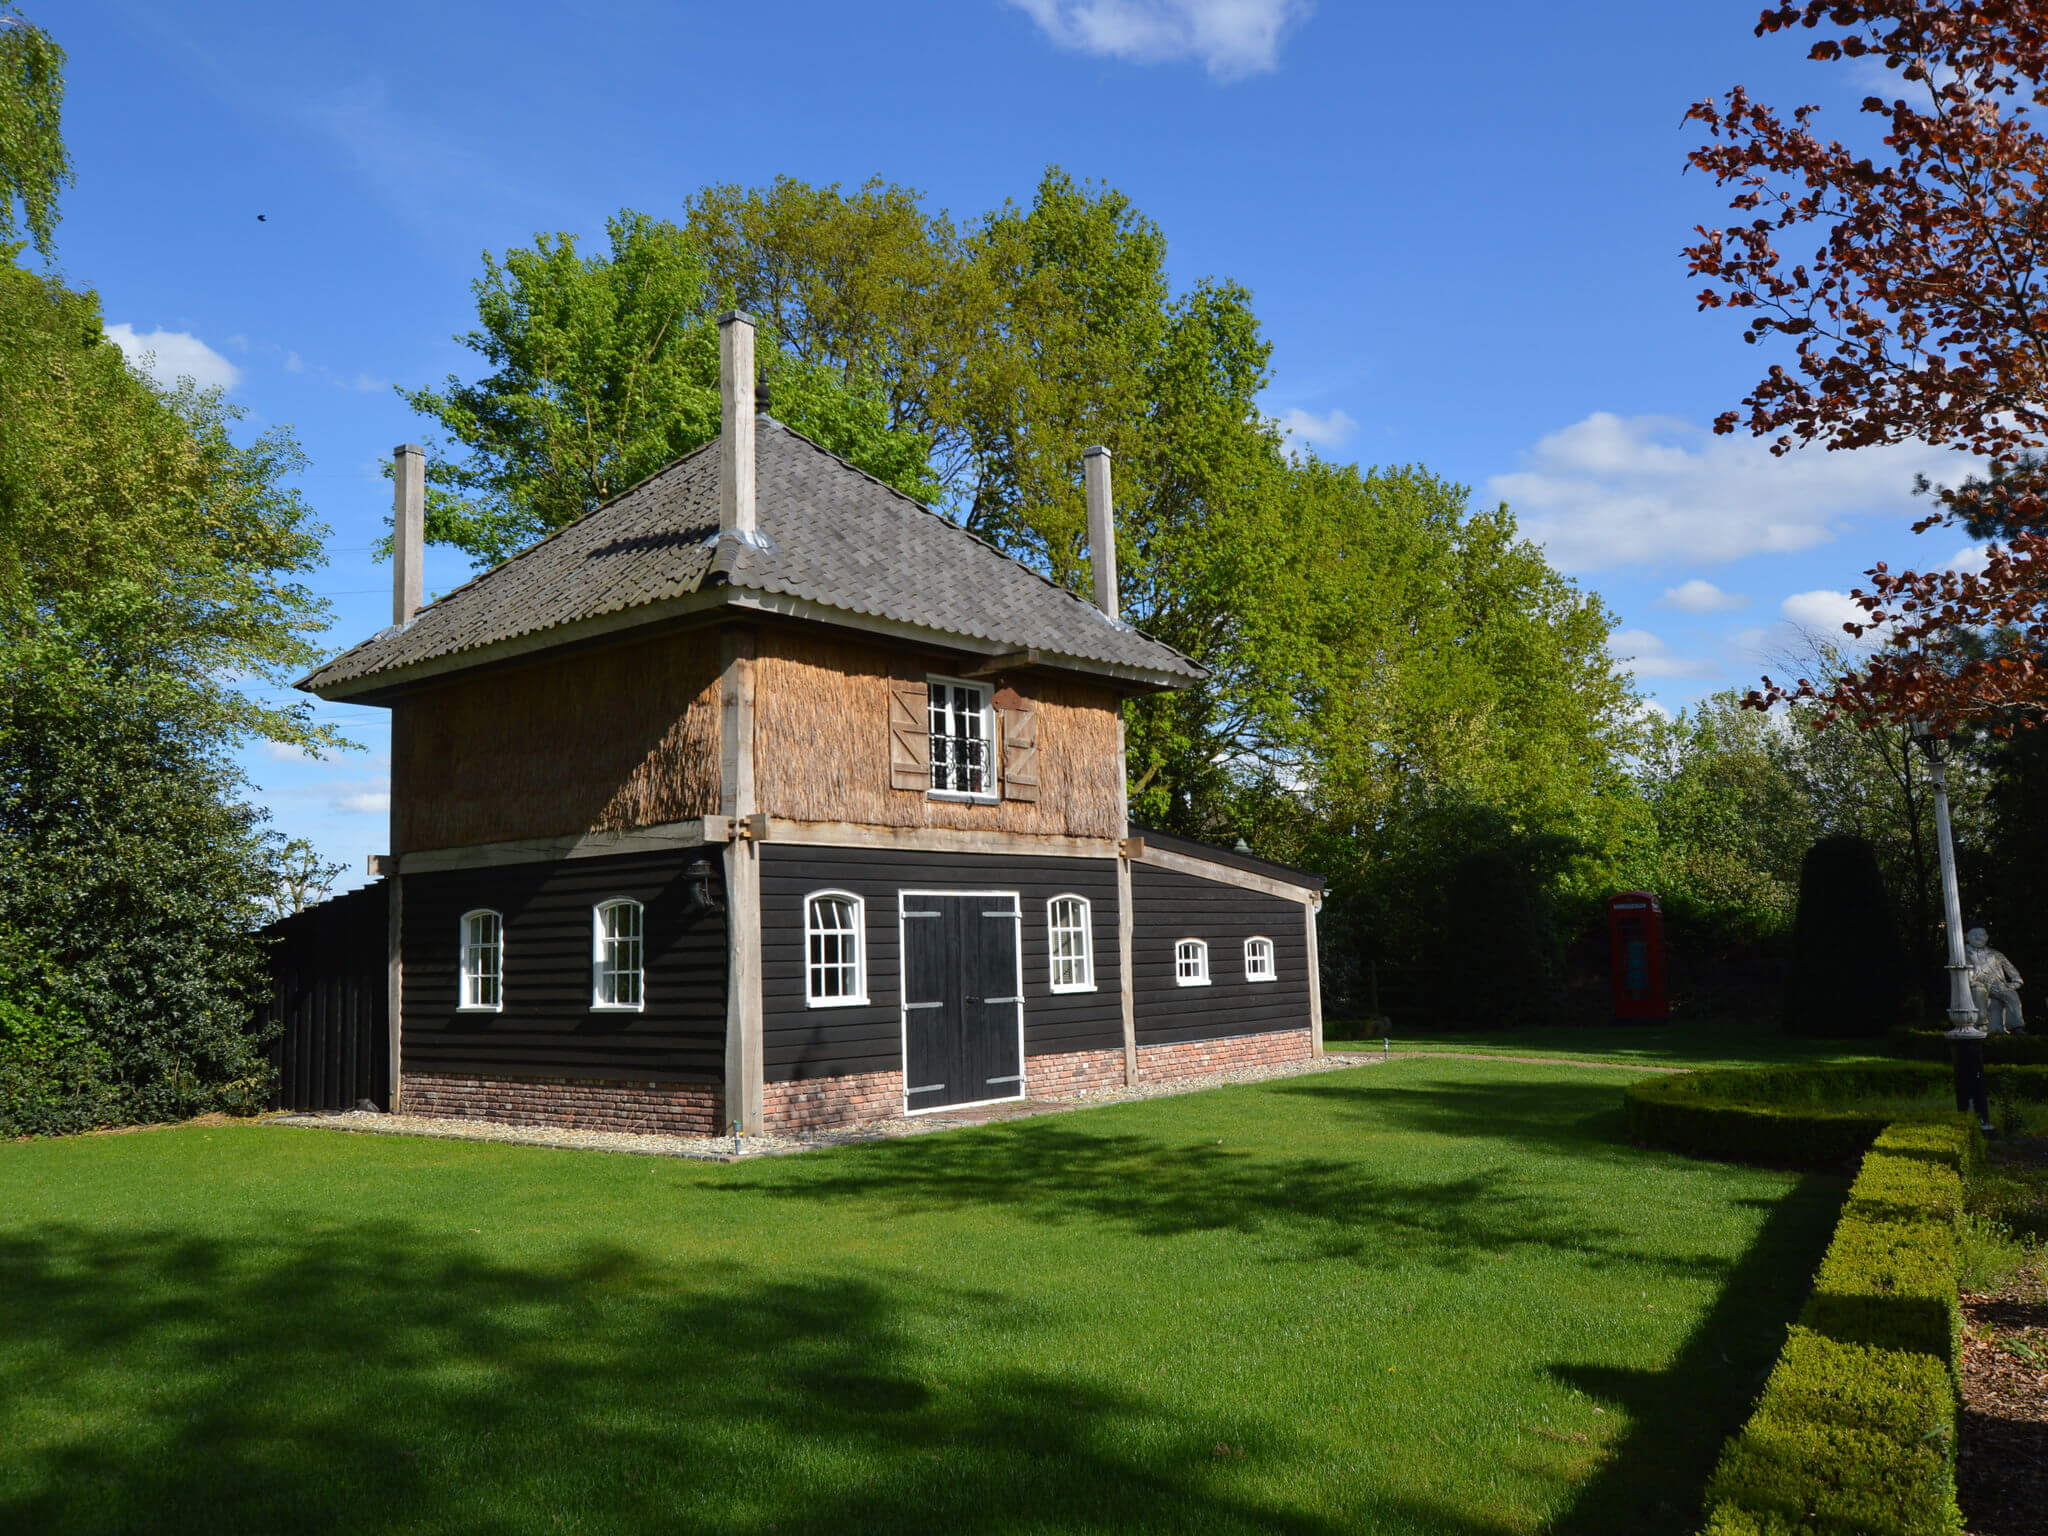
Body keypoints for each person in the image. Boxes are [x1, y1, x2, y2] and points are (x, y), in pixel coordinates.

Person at [1965, 927, 2026, 1034]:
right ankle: (1981, 1025)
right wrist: (1970, 981)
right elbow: (1962, 971)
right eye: (1974, 935)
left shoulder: (1995, 954)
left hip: (1997, 984)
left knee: (2012, 995)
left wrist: (2016, 981)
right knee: (1979, 991)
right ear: (1967, 937)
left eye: (1982, 935)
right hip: (1977, 983)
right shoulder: (1963, 953)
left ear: (1987, 937)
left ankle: (2016, 1027)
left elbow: (2009, 968)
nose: (1978, 937)